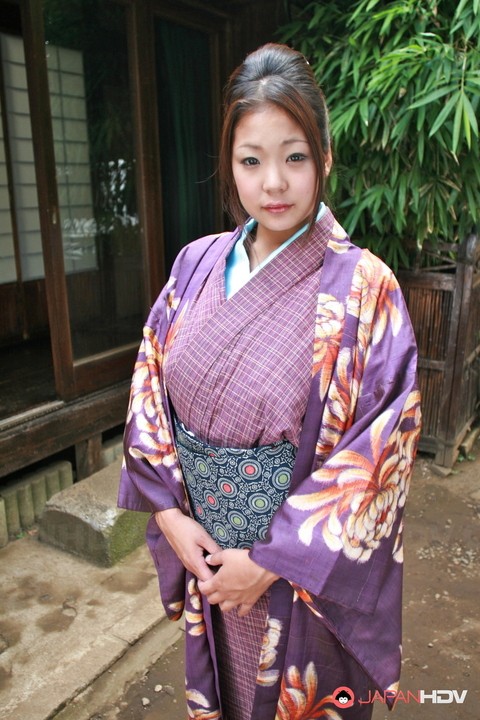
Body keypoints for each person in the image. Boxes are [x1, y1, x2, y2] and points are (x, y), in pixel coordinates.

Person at [118, 43, 421, 720]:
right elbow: (148, 389)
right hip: (208, 564)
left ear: (325, 158)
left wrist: (274, 557)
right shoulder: (195, 265)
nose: (274, 183)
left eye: (295, 157)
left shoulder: (366, 289)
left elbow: (381, 456)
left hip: (297, 582)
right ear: (229, 164)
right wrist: (168, 513)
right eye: (251, 160)